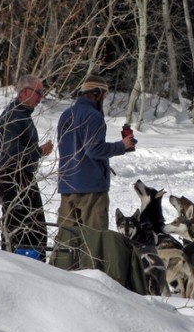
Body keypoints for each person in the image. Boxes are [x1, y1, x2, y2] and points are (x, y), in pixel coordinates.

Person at [56, 74, 136, 231]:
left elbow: (73, 150)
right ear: (97, 93)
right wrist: (122, 145)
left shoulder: (66, 115)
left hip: (67, 185)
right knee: (94, 240)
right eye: (104, 95)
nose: (104, 99)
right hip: (91, 190)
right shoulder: (94, 116)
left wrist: (103, 165)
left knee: (67, 241)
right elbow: (93, 150)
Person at [0, 74, 53, 260]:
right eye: (38, 92)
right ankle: (18, 272)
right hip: (13, 179)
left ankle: (31, 270)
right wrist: (38, 152)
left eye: (42, 92)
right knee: (21, 234)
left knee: (35, 233)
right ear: (23, 93)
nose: (40, 97)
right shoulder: (13, 116)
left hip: (23, 178)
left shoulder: (22, 114)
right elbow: (11, 153)